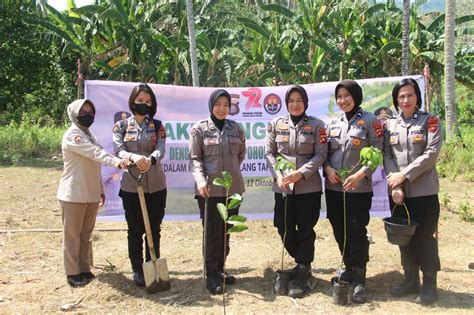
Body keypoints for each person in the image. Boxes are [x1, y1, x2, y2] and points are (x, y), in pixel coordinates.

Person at [57, 99, 128, 287]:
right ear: (73, 113)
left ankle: (84, 269)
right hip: (73, 193)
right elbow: (95, 154)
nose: (88, 115)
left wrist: (101, 189)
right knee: (72, 235)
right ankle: (72, 273)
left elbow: (94, 166)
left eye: (90, 112)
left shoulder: (90, 135)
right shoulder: (73, 135)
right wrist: (118, 162)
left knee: (85, 234)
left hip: (90, 193)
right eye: (83, 112)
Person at [265, 85, 328, 298]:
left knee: (306, 228)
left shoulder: (317, 125)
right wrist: (279, 175)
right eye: (291, 100)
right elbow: (269, 153)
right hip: (282, 186)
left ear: (305, 103)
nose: (295, 104)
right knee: (282, 225)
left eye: (299, 100)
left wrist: (300, 174)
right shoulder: (276, 124)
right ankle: (301, 261)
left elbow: (320, 155)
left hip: (307, 187)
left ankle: (303, 269)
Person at [324, 80, 383, 303]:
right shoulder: (332, 123)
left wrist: (360, 174)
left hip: (358, 188)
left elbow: (377, 152)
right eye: (339, 96)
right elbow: (325, 153)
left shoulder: (370, 121)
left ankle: (359, 278)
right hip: (334, 187)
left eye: (347, 95)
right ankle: (348, 267)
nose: (342, 100)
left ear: (356, 96)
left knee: (356, 230)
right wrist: (328, 169)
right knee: (339, 226)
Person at [383, 78, 442, 305]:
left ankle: (429, 284)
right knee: (403, 239)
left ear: (417, 96)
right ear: (396, 100)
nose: (405, 100)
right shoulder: (389, 125)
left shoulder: (430, 121)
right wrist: (395, 185)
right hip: (398, 194)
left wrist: (403, 176)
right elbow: (387, 155)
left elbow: (431, 154)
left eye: (410, 95)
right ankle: (410, 280)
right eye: (401, 96)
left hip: (424, 192)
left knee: (426, 238)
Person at [189, 89, 246, 295]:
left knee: (227, 230)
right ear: (211, 105)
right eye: (218, 104)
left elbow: (240, 155)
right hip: (209, 190)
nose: (222, 109)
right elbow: (195, 159)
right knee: (212, 231)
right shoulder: (200, 129)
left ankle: (220, 268)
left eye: (226, 105)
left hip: (232, 189)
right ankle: (211, 274)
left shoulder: (236, 128)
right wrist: (201, 181)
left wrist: (230, 173)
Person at [113, 83, 167, 287]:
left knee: (154, 229)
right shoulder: (122, 126)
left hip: (156, 185)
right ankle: (137, 269)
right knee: (135, 229)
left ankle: (152, 265)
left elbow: (161, 148)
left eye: (148, 101)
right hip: (131, 186)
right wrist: (134, 157)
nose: (144, 104)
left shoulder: (158, 126)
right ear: (132, 102)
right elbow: (118, 150)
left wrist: (151, 159)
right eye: (140, 101)